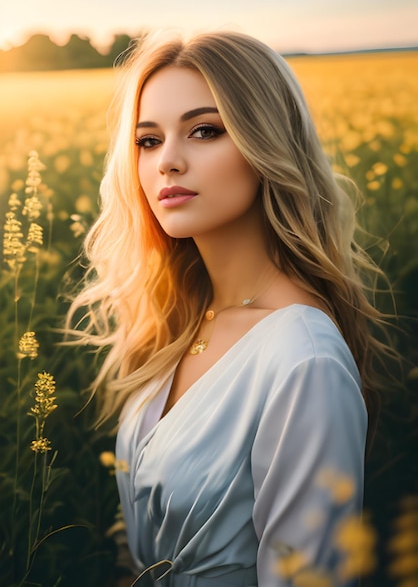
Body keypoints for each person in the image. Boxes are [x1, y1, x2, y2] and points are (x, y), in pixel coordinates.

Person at [67, 30, 389, 586]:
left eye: (204, 131)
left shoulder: (301, 358)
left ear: (268, 144)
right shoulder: (186, 315)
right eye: (147, 140)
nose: (167, 161)